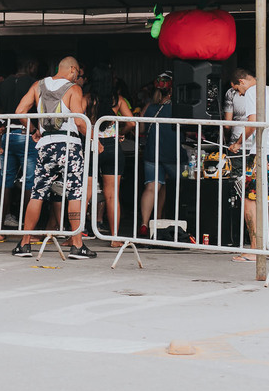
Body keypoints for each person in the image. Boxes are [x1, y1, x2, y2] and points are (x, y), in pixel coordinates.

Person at [13, 57, 95, 260]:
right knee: (75, 193)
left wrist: (34, 130)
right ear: (73, 69)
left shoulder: (38, 85)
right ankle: (77, 245)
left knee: (37, 193)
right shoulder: (74, 89)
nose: (77, 77)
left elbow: (20, 111)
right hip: (69, 145)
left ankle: (24, 244)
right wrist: (95, 140)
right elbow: (80, 122)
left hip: (45, 145)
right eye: (78, 73)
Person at [227, 68, 269, 260]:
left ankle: (255, 250)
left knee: (250, 200)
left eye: (237, 90)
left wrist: (238, 143)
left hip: (263, 152)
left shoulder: (251, 92)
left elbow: (252, 122)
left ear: (241, 82)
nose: (240, 94)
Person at [85, 63, 133, 246]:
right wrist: (121, 131)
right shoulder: (117, 100)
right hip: (112, 146)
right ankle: (114, 238)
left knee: (85, 194)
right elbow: (132, 123)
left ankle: (76, 235)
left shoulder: (87, 99)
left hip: (92, 145)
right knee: (112, 195)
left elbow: (78, 121)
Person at [0, 57, 39, 227]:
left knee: (6, 180)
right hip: (27, 133)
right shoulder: (33, 83)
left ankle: (0, 226)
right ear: (30, 65)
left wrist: (0, 120)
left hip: (8, 134)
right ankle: (27, 227)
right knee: (29, 181)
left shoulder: (4, 83)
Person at [140, 70, 181, 237]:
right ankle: (158, 221)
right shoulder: (177, 108)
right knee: (169, 186)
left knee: (152, 187)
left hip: (152, 153)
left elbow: (141, 129)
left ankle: (144, 223)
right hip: (172, 154)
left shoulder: (149, 107)